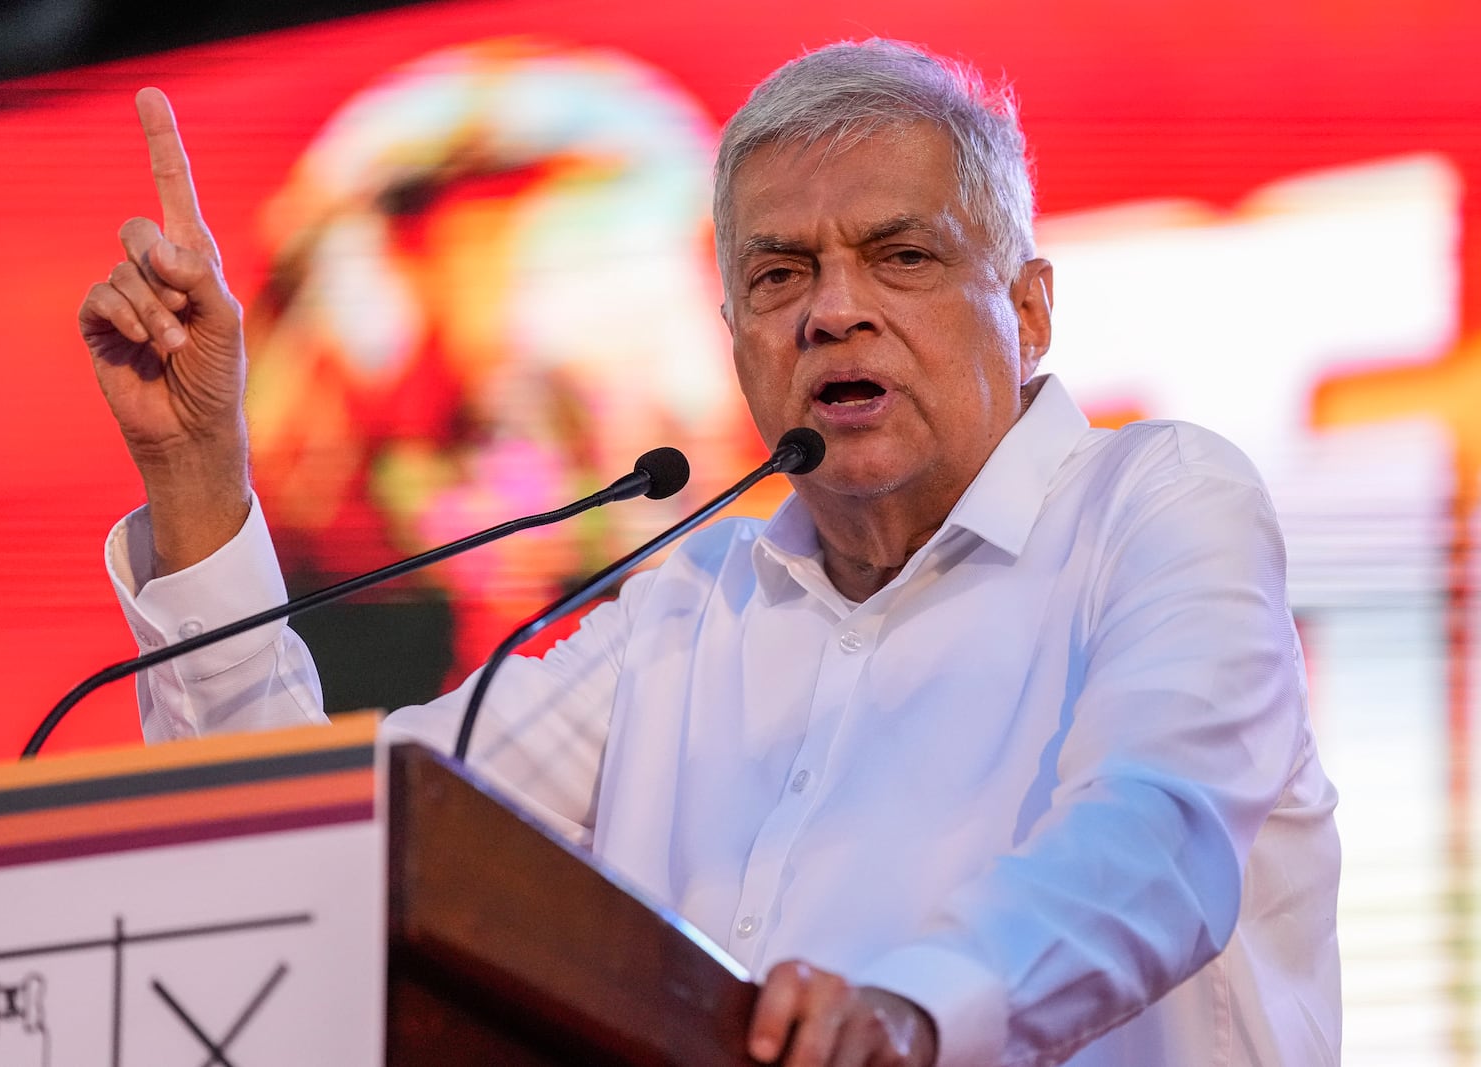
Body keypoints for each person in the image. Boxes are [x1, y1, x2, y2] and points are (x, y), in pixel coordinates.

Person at [82, 38, 1341, 1067]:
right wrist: (195, 474)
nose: (833, 307)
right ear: (735, 331)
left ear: (1026, 308)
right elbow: (331, 858)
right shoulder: (685, 612)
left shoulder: (1156, 503)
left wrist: (913, 1010)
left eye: (900, 255)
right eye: (781, 272)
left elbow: (1160, 831)